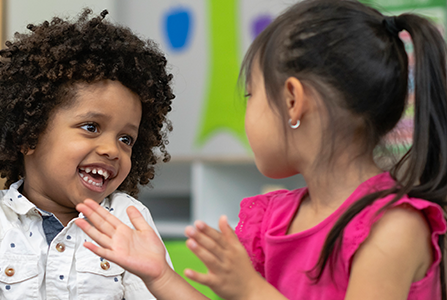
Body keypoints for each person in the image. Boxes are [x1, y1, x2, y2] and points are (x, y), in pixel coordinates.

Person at [74, 0, 447, 299]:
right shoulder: (273, 219)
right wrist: (159, 274)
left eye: (251, 95)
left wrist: (251, 291)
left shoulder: (393, 228)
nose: (247, 113)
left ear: (292, 101)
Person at [0, 9, 176, 300]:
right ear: (28, 134)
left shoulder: (127, 219)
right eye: (91, 127)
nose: (112, 149)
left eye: (126, 139)